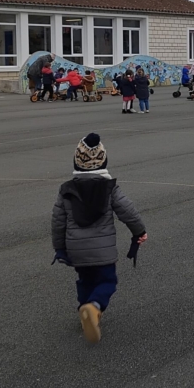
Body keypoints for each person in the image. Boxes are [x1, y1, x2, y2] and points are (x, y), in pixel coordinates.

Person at [52, 133, 147, 343]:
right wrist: (139, 231)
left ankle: (84, 309)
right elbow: (128, 211)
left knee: (85, 279)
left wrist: (59, 248)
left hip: (77, 250)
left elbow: (57, 221)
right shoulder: (109, 188)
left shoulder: (66, 190)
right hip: (103, 250)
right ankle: (94, 307)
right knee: (107, 281)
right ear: (103, 161)